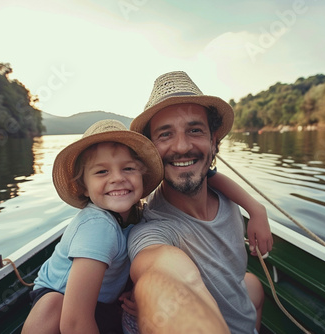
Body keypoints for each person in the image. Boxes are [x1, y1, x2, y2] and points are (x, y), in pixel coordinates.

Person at [127, 71, 273, 333]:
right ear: (150, 150)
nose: (182, 147)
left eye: (194, 130)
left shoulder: (228, 199)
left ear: (213, 142)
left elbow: (212, 176)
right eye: (165, 134)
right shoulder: (154, 231)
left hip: (242, 314)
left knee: (253, 285)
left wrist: (256, 208)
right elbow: (158, 272)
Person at [21, 119, 164, 334]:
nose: (117, 178)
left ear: (142, 177)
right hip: (62, 300)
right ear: (84, 187)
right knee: (53, 306)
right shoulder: (98, 227)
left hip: (101, 302)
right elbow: (75, 323)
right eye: (101, 172)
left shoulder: (137, 216)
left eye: (128, 168)